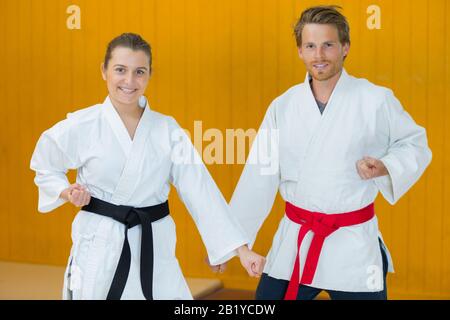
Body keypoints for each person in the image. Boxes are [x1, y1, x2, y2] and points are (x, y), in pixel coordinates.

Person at [30, 33, 265, 300]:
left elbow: (200, 190)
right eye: (120, 70)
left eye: (139, 72)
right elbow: (45, 166)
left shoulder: (167, 129)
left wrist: (240, 249)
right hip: (99, 243)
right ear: (104, 71)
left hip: (154, 243)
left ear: (149, 74)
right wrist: (65, 191)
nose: (129, 81)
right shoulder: (83, 124)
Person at [222, 6, 432, 300]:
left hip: (353, 242)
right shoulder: (283, 106)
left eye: (328, 45)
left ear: (345, 47)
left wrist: (385, 166)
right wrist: (233, 243)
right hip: (297, 240)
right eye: (310, 46)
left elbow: (415, 144)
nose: (318, 55)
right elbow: (259, 175)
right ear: (300, 51)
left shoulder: (375, 99)